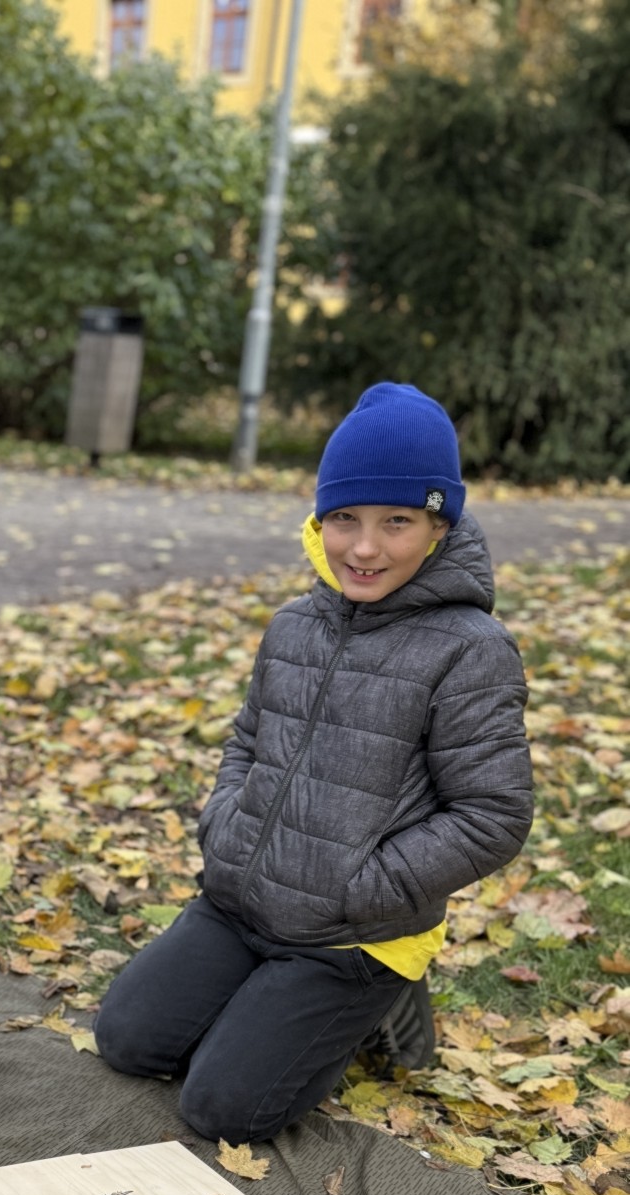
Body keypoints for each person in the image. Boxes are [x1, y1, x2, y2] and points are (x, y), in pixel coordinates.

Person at [95, 382, 533, 1141]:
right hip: (241, 901)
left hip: (350, 935)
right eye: (345, 518)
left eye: (397, 521)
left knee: (222, 1110)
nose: (364, 548)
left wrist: (362, 890)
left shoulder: (471, 650)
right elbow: (247, 740)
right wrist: (225, 828)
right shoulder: (293, 626)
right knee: (127, 1041)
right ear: (320, 519)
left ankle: (381, 1000)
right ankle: (263, 997)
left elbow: (493, 814)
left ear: (440, 524)